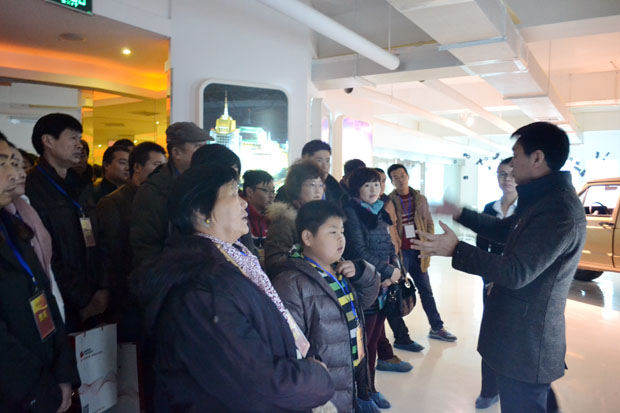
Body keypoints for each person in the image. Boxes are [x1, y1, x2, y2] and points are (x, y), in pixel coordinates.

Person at [412, 122, 586, 413]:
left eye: (516, 155)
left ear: (537, 158)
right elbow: (505, 230)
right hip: (516, 333)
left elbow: (516, 272)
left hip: (526, 340)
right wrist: (460, 213)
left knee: (525, 403)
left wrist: (455, 249)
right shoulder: (544, 200)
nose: (511, 165)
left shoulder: (558, 210)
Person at [134, 164, 335, 412]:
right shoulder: (202, 288)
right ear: (200, 211)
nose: (243, 203)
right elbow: (256, 384)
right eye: (232, 193)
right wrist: (315, 378)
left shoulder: (235, 261)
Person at [273, 200, 380, 413]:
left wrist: (363, 272)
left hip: (351, 370)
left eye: (342, 231)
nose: (341, 238)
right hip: (324, 385)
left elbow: (366, 301)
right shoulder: (291, 283)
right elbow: (292, 345)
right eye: (332, 232)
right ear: (307, 237)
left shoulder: (341, 269)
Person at [0, 132, 81, 413]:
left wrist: (63, 373)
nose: (15, 173)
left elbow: (44, 291)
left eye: (15, 163)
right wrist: (38, 391)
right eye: (3, 164)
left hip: (44, 369)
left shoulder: (12, 224)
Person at [25, 113, 107, 333]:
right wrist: (82, 299)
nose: (79, 145)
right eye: (72, 138)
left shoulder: (81, 186)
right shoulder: (30, 188)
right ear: (48, 141)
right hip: (59, 301)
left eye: (79, 138)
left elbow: (99, 238)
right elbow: (42, 253)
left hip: (95, 298)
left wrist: (102, 288)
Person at [342, 167, 413, 409]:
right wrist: (387, 271)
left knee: (373, 341)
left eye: (376, 184)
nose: (374, 189)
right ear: (356, 189)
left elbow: (389, 246)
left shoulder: (378, 210)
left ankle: (370, 388)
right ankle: (363, 393)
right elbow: (358, 251)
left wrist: (395, 270)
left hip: (383, 285)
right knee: (364, 344)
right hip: (365, 285)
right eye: (367, 185)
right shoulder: (352, 212)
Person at [96, 142, 166, 341]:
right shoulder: (113, 203)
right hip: (126, 294)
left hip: (149, 288)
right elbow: (112, 253)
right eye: (156, 165)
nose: (161, 171)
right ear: (137, 167)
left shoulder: (158, 201)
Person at [387, 163, 457, 343]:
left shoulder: (419, 198)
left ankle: (437, 327)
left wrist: (429, 244)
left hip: (418, 252)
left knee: (426, 291)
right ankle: (401, 334)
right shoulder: (389, 201)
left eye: (402, 175)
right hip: (400, 253)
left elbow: (428, 222)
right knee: (397, 292)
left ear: (408, 176)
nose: (400, 180)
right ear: (391, 181)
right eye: (395, 177)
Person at [130, 121, 211, 267]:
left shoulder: (202, 183)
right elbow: (146, 246)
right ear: (176, 153)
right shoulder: (153, 190)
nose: (204, 153)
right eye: (198, 147)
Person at [474, 157, 517, 410]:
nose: (506, 179)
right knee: (491, 335)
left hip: (519, 283)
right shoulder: (490, 209)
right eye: (502, 174)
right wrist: (488, 279)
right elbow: (482, 246)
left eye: (511, 174)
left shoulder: (529, 209)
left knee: (516, 339)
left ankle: (512, 389)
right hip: (491, 282)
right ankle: (489, 390)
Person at [5, 145, 65, 321]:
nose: (21, 174)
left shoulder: (25, 208)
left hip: (43, 301)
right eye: (11, 165)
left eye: (22, 166)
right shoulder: (9, 215)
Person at [264, 161, 325, 277]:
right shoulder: (284, 220)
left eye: (321, 185)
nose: (318, 190)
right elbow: (273, 263)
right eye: (312, 185)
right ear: (297, 188)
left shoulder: (323, 218)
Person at [242, 170, 275, 262]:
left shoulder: (274, 218)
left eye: (273, 191)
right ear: (249, 191)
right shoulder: (239, 217)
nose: (272, 196)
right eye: (266, 190)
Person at [301, 140, 347, 206]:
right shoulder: (291, 191)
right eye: (319, 160)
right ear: (305, 160)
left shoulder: (336, 190)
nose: (325, 166)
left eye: (327, 161)